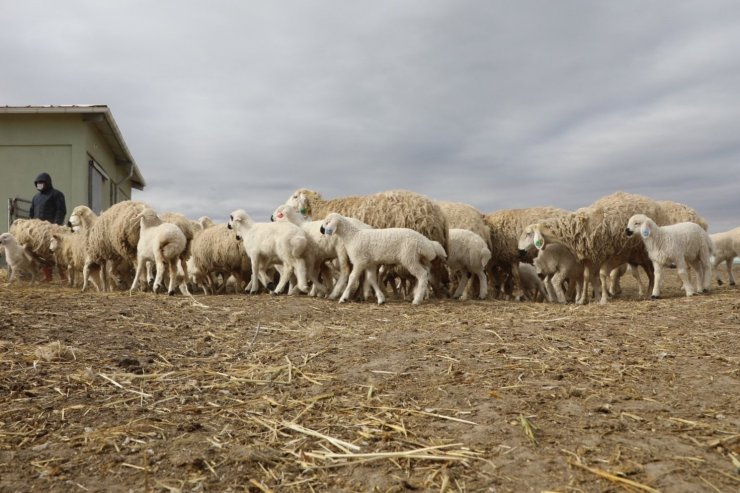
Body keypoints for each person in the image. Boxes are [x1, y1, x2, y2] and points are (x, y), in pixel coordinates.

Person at [30, 172, 67, 281]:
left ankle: (64, 276)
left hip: (53, 228)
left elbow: (61, 210)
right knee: (42, 253)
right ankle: (47, 276)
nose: (40, 184)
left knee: (58, 253)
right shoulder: (35, 197)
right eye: (38, 183)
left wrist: (56, 224)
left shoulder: (57, 194)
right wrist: (32, 225)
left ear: (48, 183)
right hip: (39, 231)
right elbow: (31, 212)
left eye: (42, 182)